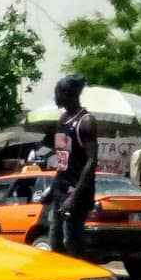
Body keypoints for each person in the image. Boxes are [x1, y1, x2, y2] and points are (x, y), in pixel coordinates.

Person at [48, 75, 98, 257]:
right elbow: (62, 160)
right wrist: (52, 188)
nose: (55, 97)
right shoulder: (62, 120)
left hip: (77, 193)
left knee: (72, 242)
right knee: (55, 242)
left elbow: (92, 161)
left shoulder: (86, 122)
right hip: (60, 190)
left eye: (57, 93)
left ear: (67, 94)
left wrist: (74, 197)